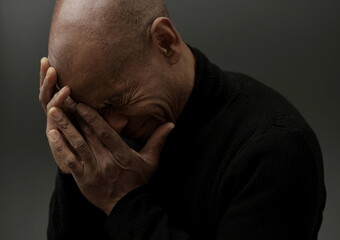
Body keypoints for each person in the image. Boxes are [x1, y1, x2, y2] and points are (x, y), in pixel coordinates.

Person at [39, 0, 326, 239]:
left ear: (166, 43)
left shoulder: (277, 147)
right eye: (91, 112)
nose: (111, 128)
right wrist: (75, 156)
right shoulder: (109, 133)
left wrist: (123, 202)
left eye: (116, 102)